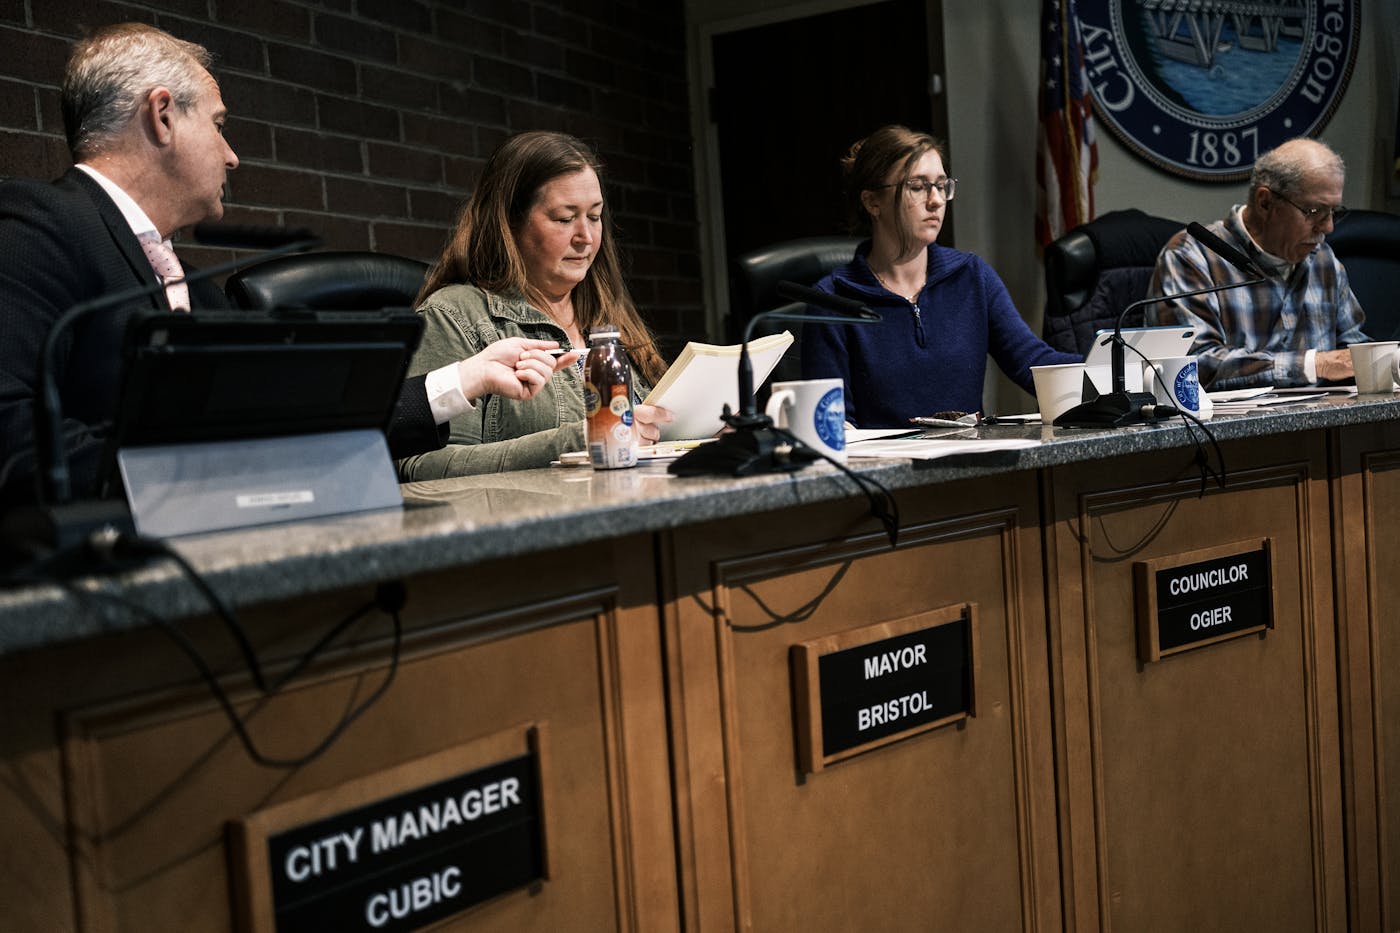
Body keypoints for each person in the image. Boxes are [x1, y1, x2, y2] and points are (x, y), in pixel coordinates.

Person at [0, 23, 568, 507]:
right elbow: (14, 442)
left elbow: (304, 415)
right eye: (219, 125)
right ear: (162, 115)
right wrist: (209, 476)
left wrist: (467, 378)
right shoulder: (37, 228)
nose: (232, 155)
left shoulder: (193, 287)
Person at [396, 130, 672, 478]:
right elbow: (422, 467)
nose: (585, 237)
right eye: (564, 218)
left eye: (594, 216)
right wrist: (577, 441)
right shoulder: (454, 315)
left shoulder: (605, 313)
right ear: (510, 222)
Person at [801, 125, 1079, 428]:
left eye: (942, 185)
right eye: (917, 186)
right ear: (872, 202)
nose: (936, 200)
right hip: (882, 472)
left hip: (971, 465)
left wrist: (1121, 364)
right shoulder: (832, 300)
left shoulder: (971, 276)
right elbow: (832, 425)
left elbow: (1034, 364)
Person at [1145, 137, 1368, 390]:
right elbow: (1192, 367)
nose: (1328, 227)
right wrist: (1312, 365)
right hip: (1226, 429)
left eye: (1334, 212)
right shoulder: (1193, 256)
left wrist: (1383, 362)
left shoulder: (1322, 259)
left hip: (1323, 424)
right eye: (1315, 211)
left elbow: (1352, 352)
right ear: (1265, 202)